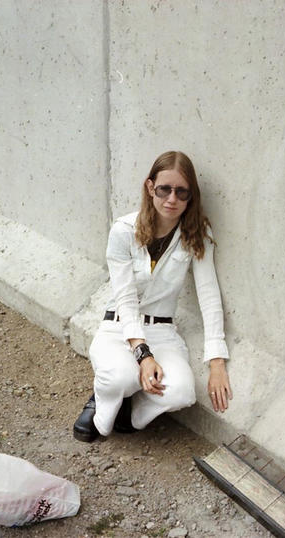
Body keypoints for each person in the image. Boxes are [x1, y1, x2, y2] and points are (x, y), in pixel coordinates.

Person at [73, 150, 232, 442]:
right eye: (164, 189)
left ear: (191, 196)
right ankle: (102, 399)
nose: (172, 199)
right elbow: (125, 298)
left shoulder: (197, 233)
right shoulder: (124, 231)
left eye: (181, 192)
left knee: (183, 393)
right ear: (150, 187)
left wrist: (217, 362)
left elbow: (209, 295)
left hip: (163, 332)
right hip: (120, 327)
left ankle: (132, 411)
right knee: (119, 379)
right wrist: (143, 354)